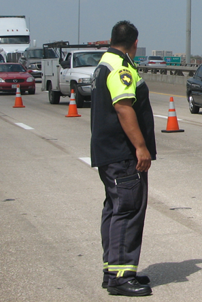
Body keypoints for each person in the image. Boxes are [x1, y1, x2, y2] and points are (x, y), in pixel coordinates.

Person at [90, 20, 156, 297]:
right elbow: (123, 108)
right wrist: (141, 147)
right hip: (123, 154)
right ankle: (119, 277)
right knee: (127, 212)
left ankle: (115, 270)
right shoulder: (120, 68)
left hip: (109, 152)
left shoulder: (103, 63)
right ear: (134, 43)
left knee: (115, 210)